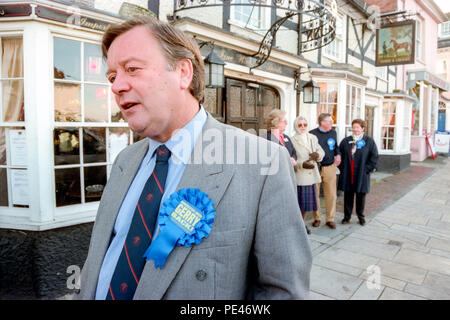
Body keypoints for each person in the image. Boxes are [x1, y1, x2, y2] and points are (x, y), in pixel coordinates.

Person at [73, 17, 311, 300]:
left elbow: (283, 293)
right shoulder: (125, 160)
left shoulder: (262, 162)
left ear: (183, 72)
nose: (116, 86)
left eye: (132, 69)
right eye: (112, 77)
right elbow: (100, 263)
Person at [338, 119, 378, 226]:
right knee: (348, 196)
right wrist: (343, 168)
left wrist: (366, 169)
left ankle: (361, 216)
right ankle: (347, 217)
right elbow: (339, 155)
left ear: (363, 128)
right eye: (354, 127)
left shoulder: (369, 141)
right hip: (348, 173)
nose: (355, 129)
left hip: (361, 174)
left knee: (361, 196)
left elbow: (374, 157)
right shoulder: (346, 141)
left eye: (358, 127)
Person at [291, 116, 325, 235]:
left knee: (305, 205)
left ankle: (302, 224)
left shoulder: (312, 137)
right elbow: (290, 159)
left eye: (305, 124)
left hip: (311, 175)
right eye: (300, 125)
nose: (303, 127)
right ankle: (299, 226)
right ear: (296, 126)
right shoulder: (292, 140)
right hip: (300, 175)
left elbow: (321, 151)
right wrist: (301, 164)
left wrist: (318, 155)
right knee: (299, 204)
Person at [309, 113, 341, 229]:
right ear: (322, 122)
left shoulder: (333, 132)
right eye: (329, 121)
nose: (332, 123)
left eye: (332, 121)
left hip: (330, 167)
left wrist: (338, 154)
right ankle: (317, 218)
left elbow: (336, 147)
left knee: (331, 194)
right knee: (315, 194)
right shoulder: (312, 134)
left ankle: (330, 219)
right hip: (316, 168)